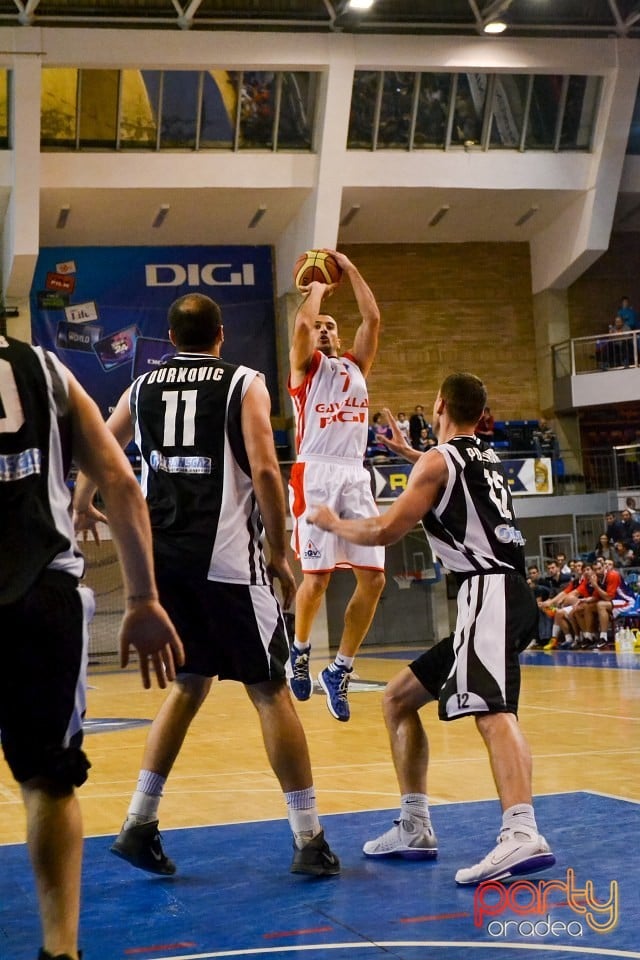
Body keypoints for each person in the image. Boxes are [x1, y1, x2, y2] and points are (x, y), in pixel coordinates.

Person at [74, 293, 340, 878]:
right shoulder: (244, 381)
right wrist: (278, 549)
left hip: (164, 566)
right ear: (220, 334)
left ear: (170, 338)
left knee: (190, 683)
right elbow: (268, 470)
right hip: (226, 564)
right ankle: (309, 838)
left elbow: (100, 447)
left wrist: (81, 502)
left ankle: (138, 823)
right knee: (269, 688)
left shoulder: (141, 387)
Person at [308, 373, 555, 885]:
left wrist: (333, 525)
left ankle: (521, 831)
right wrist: (409, 452)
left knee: (492, 713)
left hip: (486, 592)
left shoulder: (438, 462)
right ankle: (416, 824)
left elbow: (383, 529)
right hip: (502, 595)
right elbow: (444, 474)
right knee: (397, 699)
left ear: (439, 404)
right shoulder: (483, 457)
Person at [0, 335, 184, 960]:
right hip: (43, 594)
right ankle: (60, 950)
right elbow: (120, 481)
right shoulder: (46, 368)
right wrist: (142, 600)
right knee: (49, 781)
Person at [287, 249, 385, 722]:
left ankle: (341, 669)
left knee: (375, 577)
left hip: (354, 473)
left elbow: (373, 316)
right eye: (319, 324)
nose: (323, 329)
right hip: (316, 473)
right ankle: (300, 650)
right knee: (317, 581)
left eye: (331, 326)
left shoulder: (354, 367)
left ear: (340, 337)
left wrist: (349, 268)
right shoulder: (306, 371)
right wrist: (316, 287)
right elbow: (302, 329)